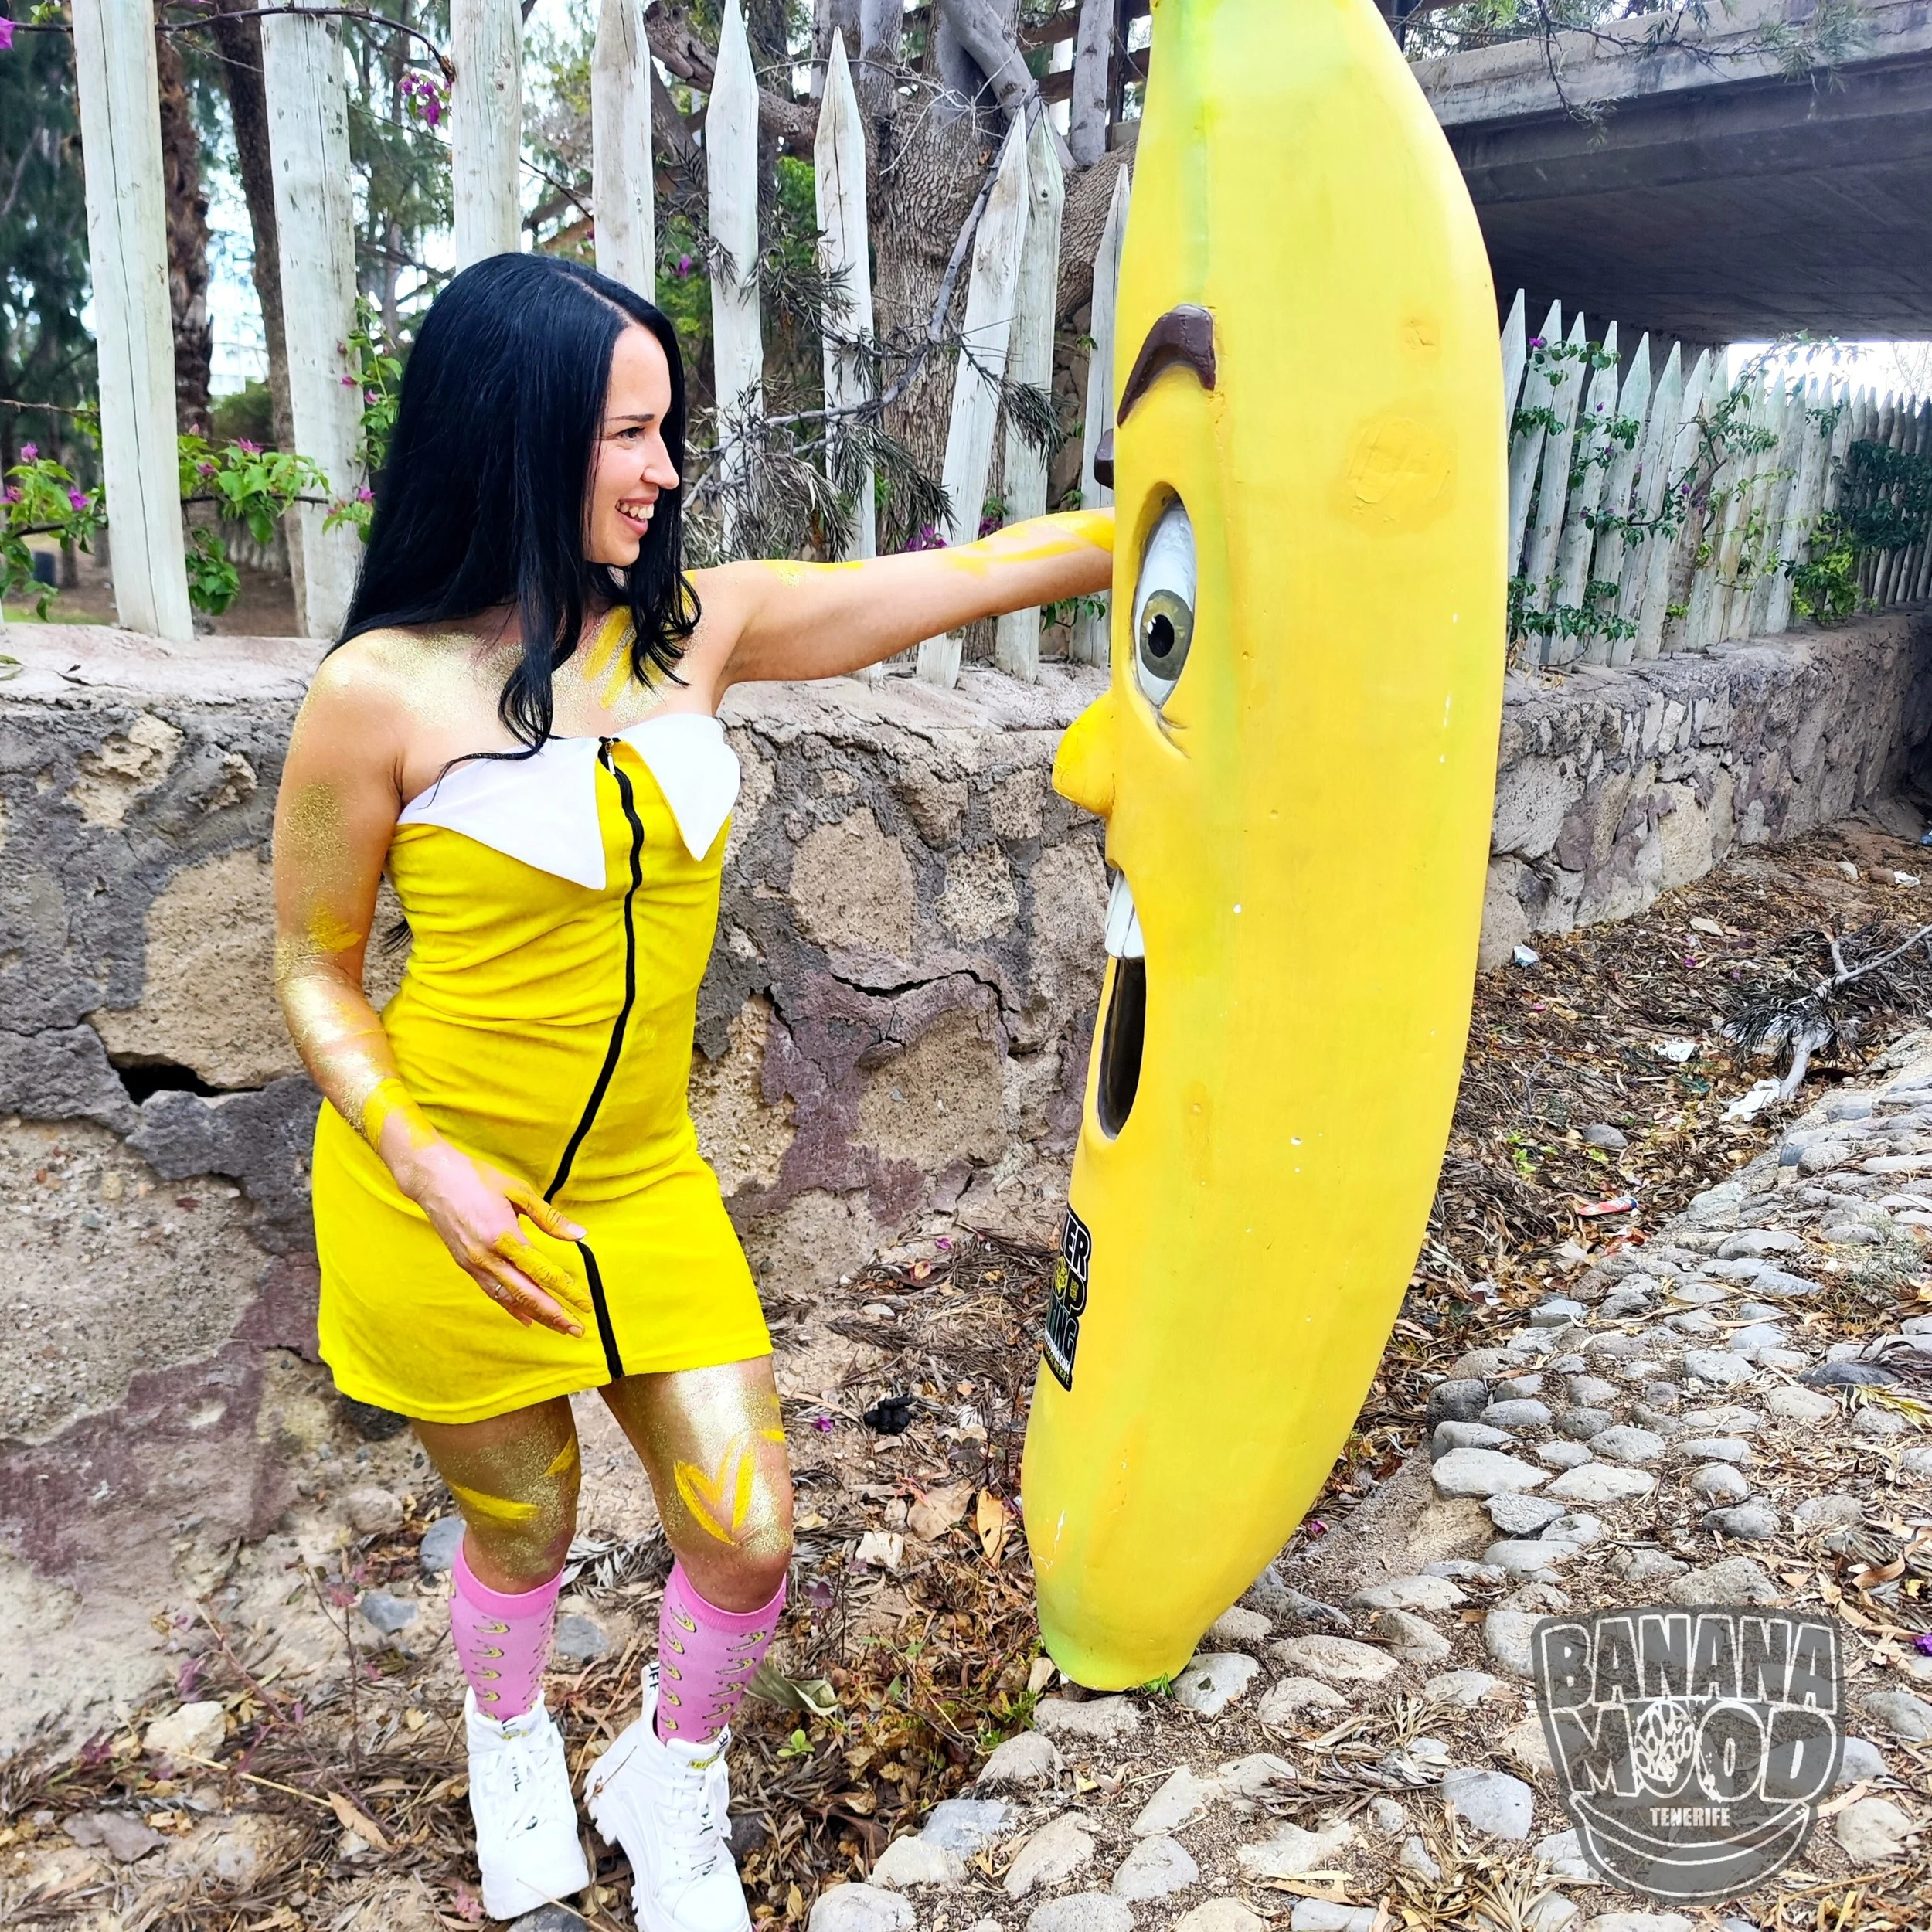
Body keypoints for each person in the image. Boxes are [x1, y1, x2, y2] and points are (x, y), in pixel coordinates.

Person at [272, 251, 1112, 1931]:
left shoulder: (696, 625)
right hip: (440, 1198)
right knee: (523, 1523)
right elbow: (311, 965)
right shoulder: (381, 691)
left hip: (644, 1183)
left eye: (668, 433)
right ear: (510, 434)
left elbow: (947, 580)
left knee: (745, 1531)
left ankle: (671, 1771)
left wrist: (1166, 505)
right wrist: (423, 1160)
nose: (661, 472)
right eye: (623, 436)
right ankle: (508, 1732)